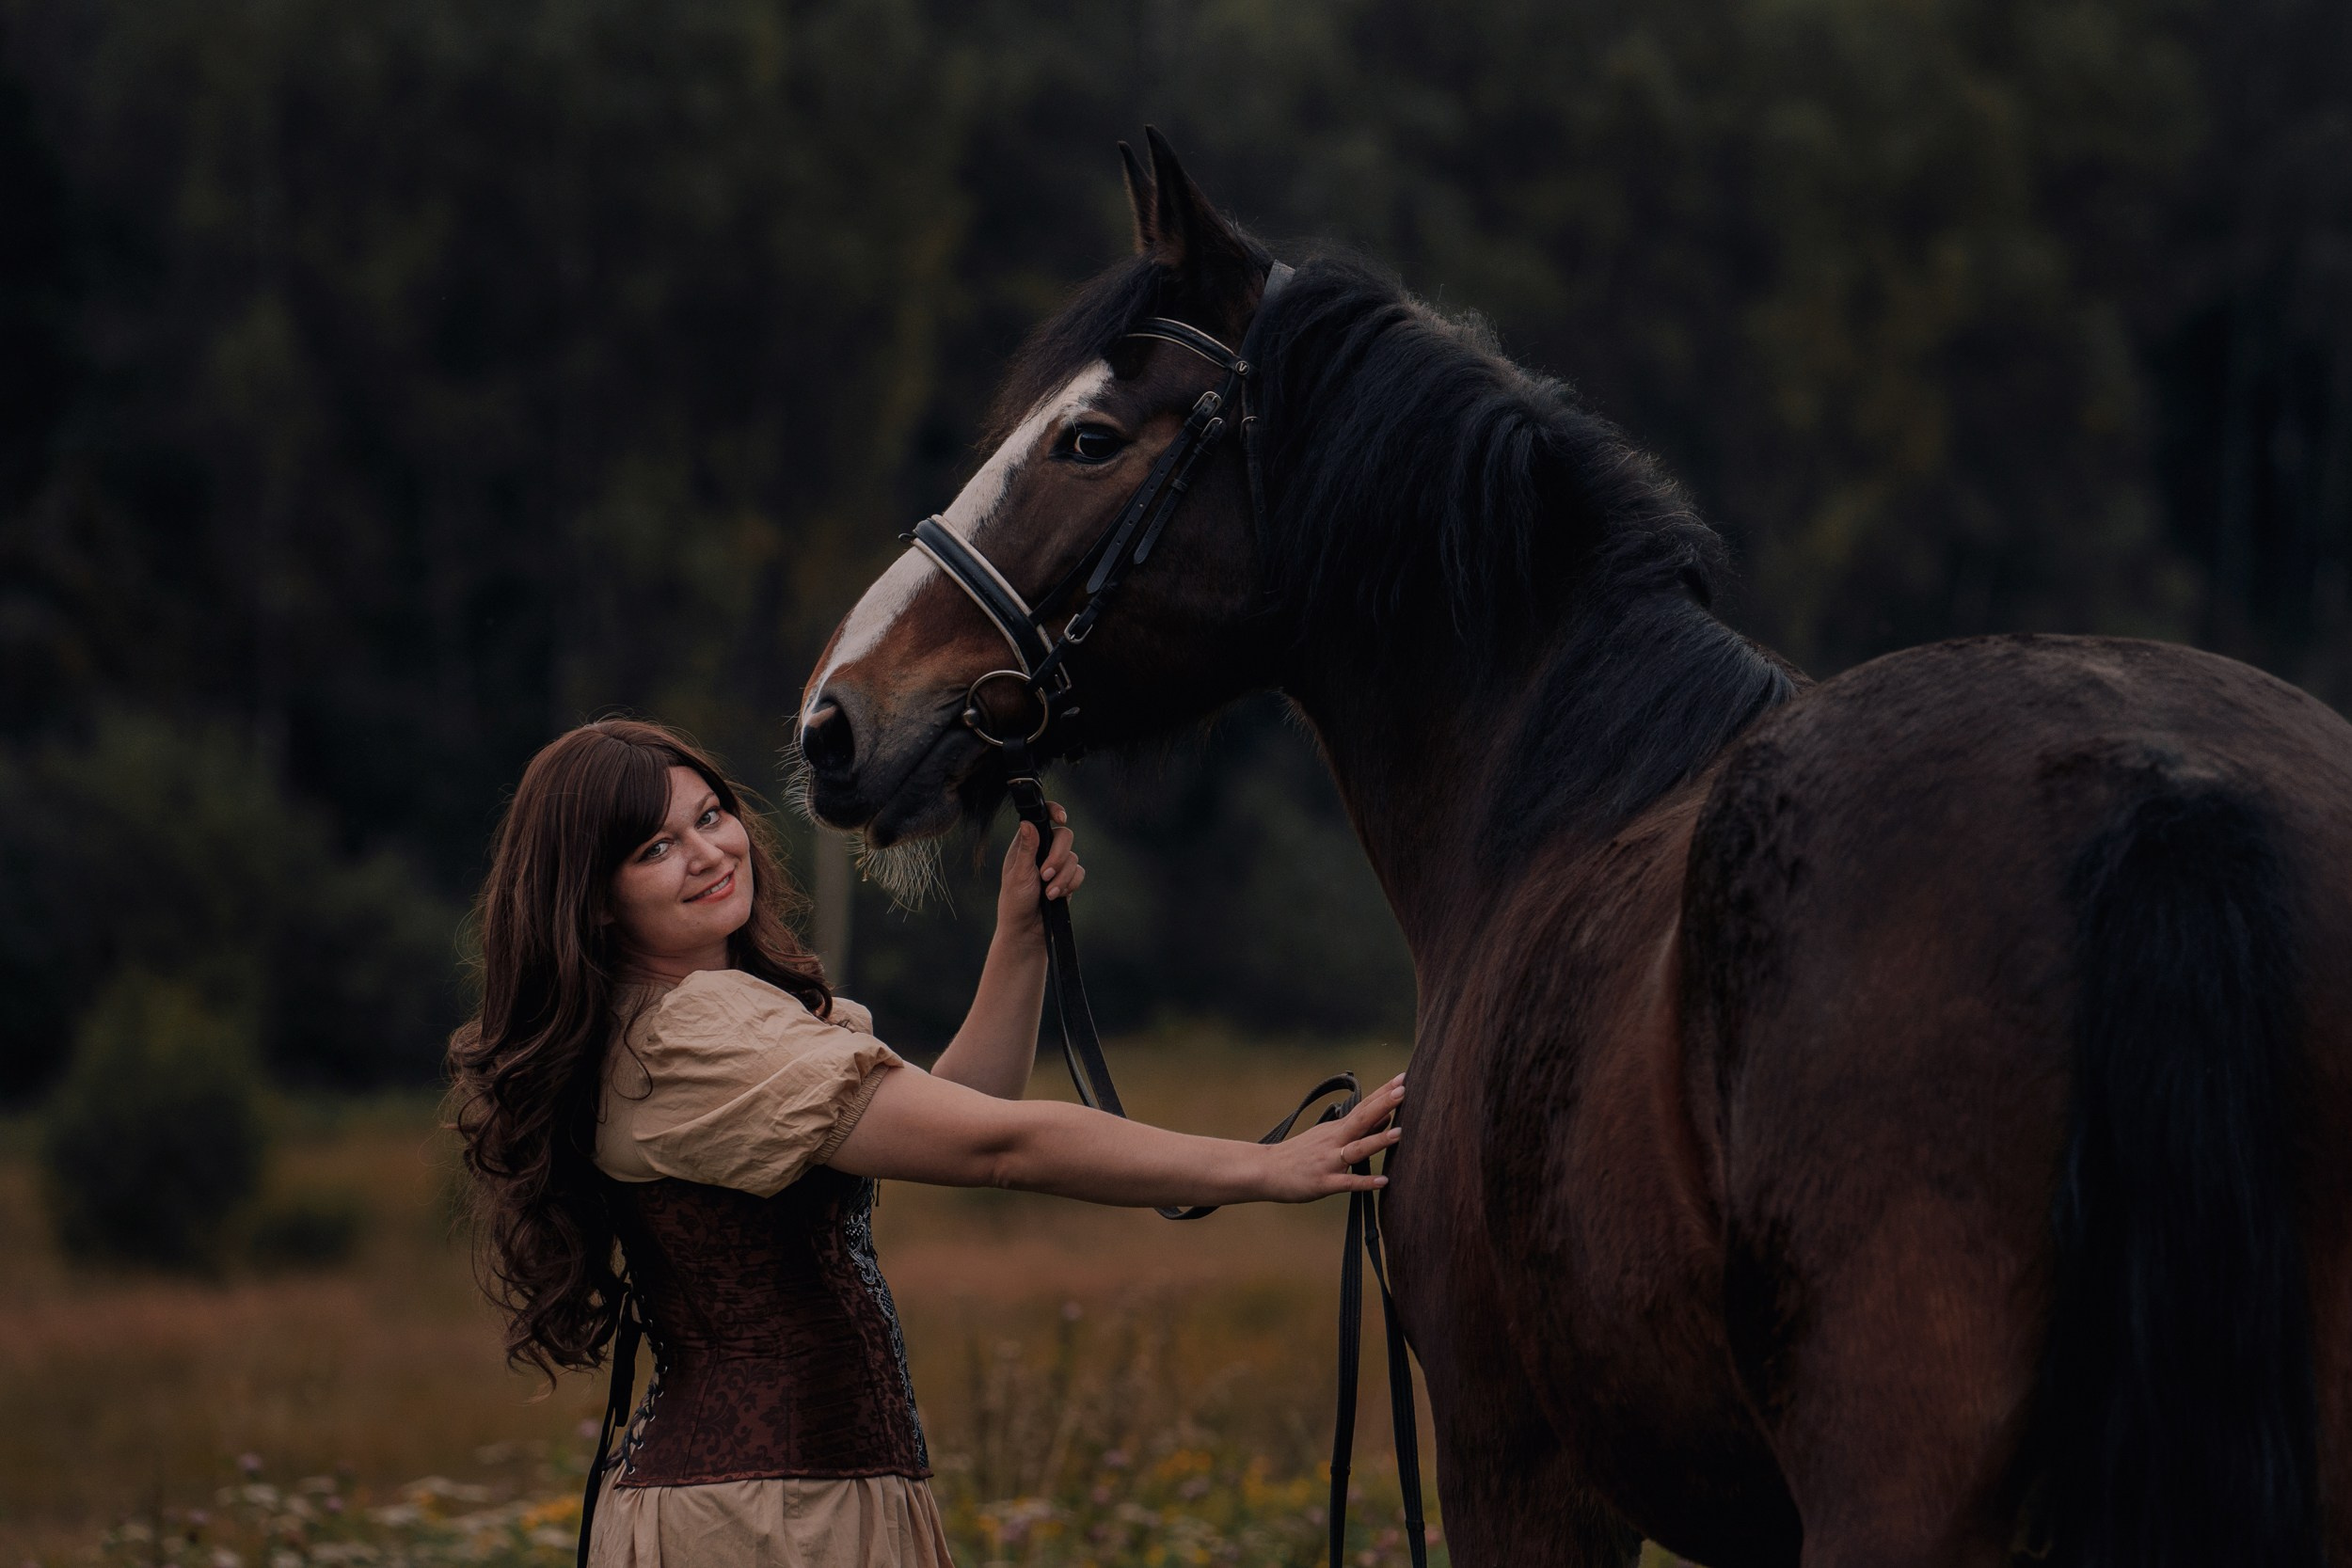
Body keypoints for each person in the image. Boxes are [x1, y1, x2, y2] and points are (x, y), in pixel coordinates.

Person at [446, 718, 1405, 1568]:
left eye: (710, 815)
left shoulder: (691, 1020)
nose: (707, 852)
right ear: (595, 897)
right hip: (765, 1522)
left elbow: (959, 1114)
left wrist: (1019, 933)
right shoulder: (691, 1037)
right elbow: (999, 1146)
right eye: (656, 847)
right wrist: (1264, 1166)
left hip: (789, 1501)